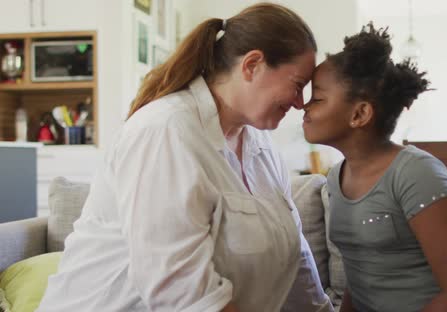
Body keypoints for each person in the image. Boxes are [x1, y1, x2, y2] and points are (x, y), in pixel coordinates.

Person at [38, 3, 333, 312]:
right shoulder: (165, 130)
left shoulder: (261, 146)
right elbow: (179, 290)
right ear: (252, 65)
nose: (301, 103)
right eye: (298, 85)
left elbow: (294, 256)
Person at [302, 23, 447, 312]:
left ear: (360, 114)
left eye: (316, 98)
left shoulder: (416, 173)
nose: (304, 107)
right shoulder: (335, 179)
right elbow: (364, 275)